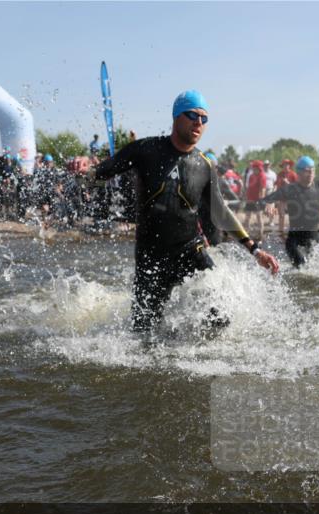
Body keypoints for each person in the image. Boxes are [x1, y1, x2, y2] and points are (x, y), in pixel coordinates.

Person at [91, 89, 279, 333]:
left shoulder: (204, 164)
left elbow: (220, 212)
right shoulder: (145, 150)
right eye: (192, 115)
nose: (198, 123)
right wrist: (85, 176)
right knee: (143, 334)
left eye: (204, 118)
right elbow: (99, 175)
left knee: (220, 315)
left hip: (190, 250)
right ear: (176, 116)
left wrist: (255, 250)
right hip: (151, 257)